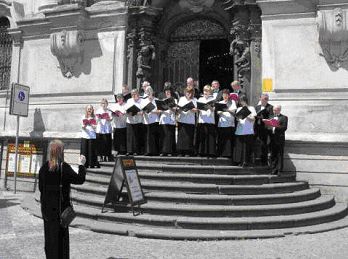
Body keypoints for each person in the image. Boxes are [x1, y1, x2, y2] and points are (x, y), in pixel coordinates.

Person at [39, 140, 86, 259]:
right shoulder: (63, 167)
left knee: (50, 239)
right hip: (61, 211)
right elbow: (79, 179)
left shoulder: (44, 168)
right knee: (62, 240)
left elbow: (41, 189)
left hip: (47, 211)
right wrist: (82, 165)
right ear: (61, 153)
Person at [233, 95, 257, 166]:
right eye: (240, 101)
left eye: (242, 101)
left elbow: (253, 119)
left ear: (245, 101)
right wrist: (237, 118)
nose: (241, 103)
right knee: (239, 146)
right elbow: (237, 118)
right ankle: (238, 161)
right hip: (240, 129)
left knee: (246, 147)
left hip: (248, 130)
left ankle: (245, 161)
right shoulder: (239, 108)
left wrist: (246, 115)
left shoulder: (251, 108)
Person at [176, 87, 198, 156]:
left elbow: (196, 110)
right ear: (185, 92)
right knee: (181, 136)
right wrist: (179, 109)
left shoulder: (194, 100)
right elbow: (179, 108)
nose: (189, 94)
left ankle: (188, 152)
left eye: (190, 92)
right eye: (187, 92)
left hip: (190, 121)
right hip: (182, 120)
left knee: (189, 137)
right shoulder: (182, 99)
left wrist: (190, 108)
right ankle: (180, 151)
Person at [216, 89, 237, 157]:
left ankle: (229, 154)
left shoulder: (232, 102)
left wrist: (227, 110)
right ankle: (221, 153)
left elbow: (234, 112)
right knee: (222, 139)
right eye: (224, 95)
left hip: (230, 124)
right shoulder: (220, 102)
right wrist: (221, 111)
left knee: (229, 140)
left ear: (229, 95)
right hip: (222, 124)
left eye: (226, 95)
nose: (225, 96)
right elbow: (218, 113)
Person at [268, 105, 288, 175]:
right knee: (273, 155)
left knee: (279, 155)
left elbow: (284, 128)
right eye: (273, 110)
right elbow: (268, 127)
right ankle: (274, 169)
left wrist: (276, 126)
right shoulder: (271, 117)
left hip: (279, 139)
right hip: (272, 138)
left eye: (275, 110)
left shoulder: (284, 117)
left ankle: (279, 170)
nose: (274, 111)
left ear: (279, 110)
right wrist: (268, 126)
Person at [197, 85, 216, 156]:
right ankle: (201, 152)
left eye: (207, 91)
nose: (205, 92)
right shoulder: (200, 99)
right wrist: (199, 109)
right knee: (202, 136)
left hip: (210, 120)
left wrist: (210, 108)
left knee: (210, 137)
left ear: (210, 92)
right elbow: (197, 108)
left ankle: (210, 152)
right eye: (205, 90)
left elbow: (214, 109)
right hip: (202, 119)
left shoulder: (213, 99)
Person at [254, 93, 273, 165]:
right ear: (260, 99)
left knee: (263, 144)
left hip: (264, 129)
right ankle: (252, 158)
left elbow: (271, 117)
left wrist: (263, 118)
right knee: (252, 142)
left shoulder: (270, 107)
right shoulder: (257, 107)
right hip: (256, 128)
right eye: (264, 99)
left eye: (266, 99)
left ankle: (263, 161)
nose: (265, 100)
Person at [158, 86, 177, 156]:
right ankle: (163, 151)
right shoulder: (162, 100)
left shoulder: (174, 100)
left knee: (170, 135)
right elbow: (159, 110)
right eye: (166, 92)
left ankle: (170, 151)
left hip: (171, 119)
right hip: (163, 119)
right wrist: (161, 108)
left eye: (168, 92)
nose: (167, 93)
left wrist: (169, 106)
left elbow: (175, 110)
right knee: (164, 135)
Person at [142, 86, 160, 155]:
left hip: (155, 120)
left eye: (150, 90)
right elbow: (142, 110)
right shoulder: (144, 100)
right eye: (147, 91)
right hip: (146, 120)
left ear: (152, 91)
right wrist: (144, 111)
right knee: (147, 137)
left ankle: (154, 151)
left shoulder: (156, 100)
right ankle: (147, 151)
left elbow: (159, 110)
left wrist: (152, 111)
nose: (149, 92)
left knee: (154, 136)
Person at [125, 89, 144, 155]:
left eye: (134, 94)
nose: (133, 95)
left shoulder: (141, 100)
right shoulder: (129, 100)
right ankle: (130, 150)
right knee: (130, 137)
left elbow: (143, 110)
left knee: (137, 136)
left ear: (138, 94)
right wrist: (128, 112)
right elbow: (126, 109)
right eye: (132, 94)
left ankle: (137, 151)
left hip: (138, 121)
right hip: (130, 120)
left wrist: (139, 112)